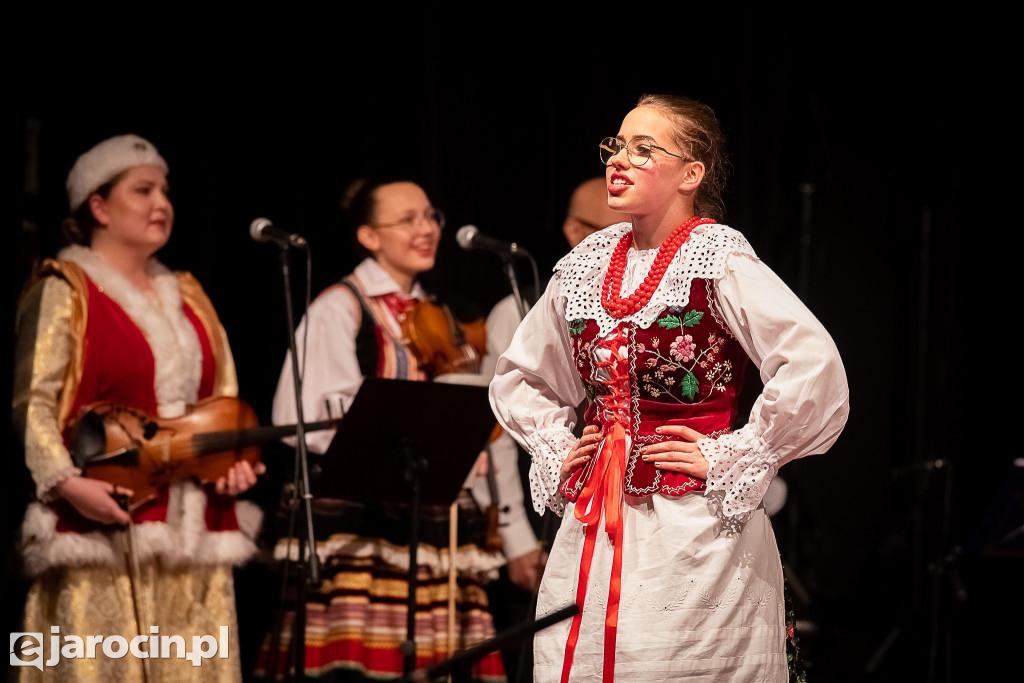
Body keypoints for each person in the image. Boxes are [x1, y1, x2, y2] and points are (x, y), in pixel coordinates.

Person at [489, 95, 850, 681]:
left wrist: (731, 452)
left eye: (643, 148)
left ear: (691, 174)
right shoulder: (586, 263)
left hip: (694, 527)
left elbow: (814, 367)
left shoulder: (717, 257)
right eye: (617, 145)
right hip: (595, 520)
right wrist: (558, 447)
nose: (619, 159)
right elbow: (519, 376)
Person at [12, 134, 263, 681]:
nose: (161, 204)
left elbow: (222, 404)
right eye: (142, 190)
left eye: (165, 191)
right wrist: (67, 484)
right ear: (98, 206)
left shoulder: (191, 295)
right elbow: (32, 405)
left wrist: (236, 466)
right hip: (102, 526)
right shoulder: (67, 289)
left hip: (192, 537)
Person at [259, 178, 512, 681]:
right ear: (369, 236)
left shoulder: (437, 310)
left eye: (430, 216)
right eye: (407, 220)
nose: (426, 230)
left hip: (432, 518)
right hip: (362, 523)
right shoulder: (341, 306)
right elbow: (303, 415)